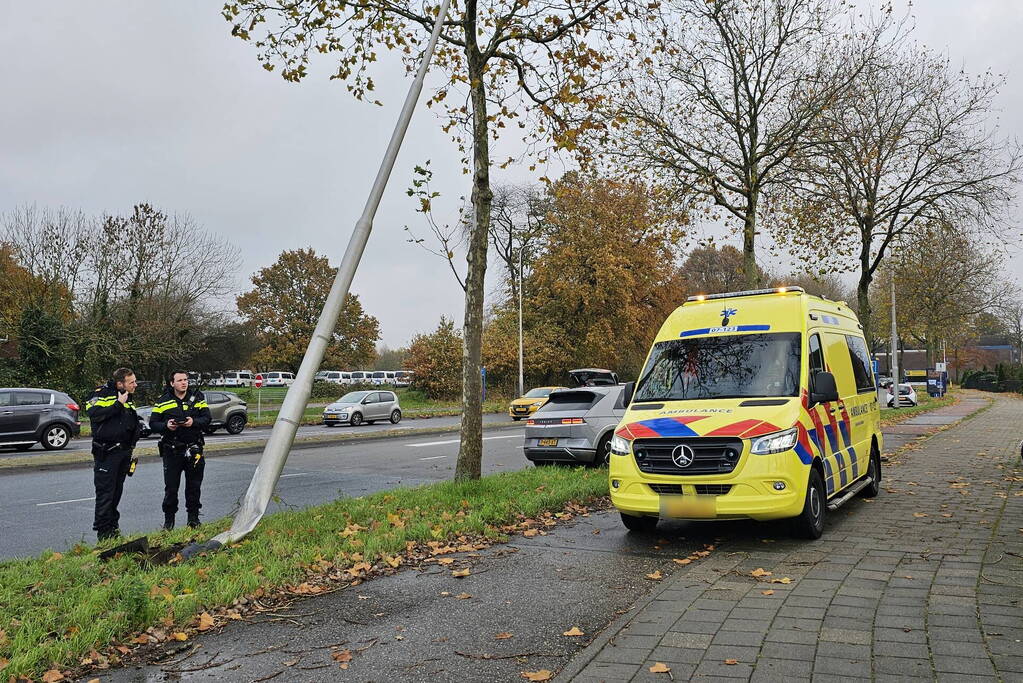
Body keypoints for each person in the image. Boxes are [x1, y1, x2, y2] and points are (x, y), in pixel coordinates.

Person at [150, 370, 211, 529]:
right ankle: (169, 522)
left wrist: (193, 422)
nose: (184, 383)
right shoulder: (163, 401)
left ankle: (194, 520)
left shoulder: (198, 398)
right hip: (172, 450)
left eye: (185, 380)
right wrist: (167, 426)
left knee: (194, 487)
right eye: (179, 380)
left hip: (194, 449)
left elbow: (207, 419)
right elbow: (153, 423)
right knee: (171, 488)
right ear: (172, 383)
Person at [86, 367, 141, 541]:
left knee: (116, 493)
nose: (135, 385)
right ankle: (103, 533)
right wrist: (118, 404)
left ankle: (113, 529)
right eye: (131, 382)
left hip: (123, 453)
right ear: (120, 383)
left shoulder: (128, 398)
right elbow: (94, 414)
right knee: (105, 494)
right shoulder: (100, 394)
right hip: (106, 453)